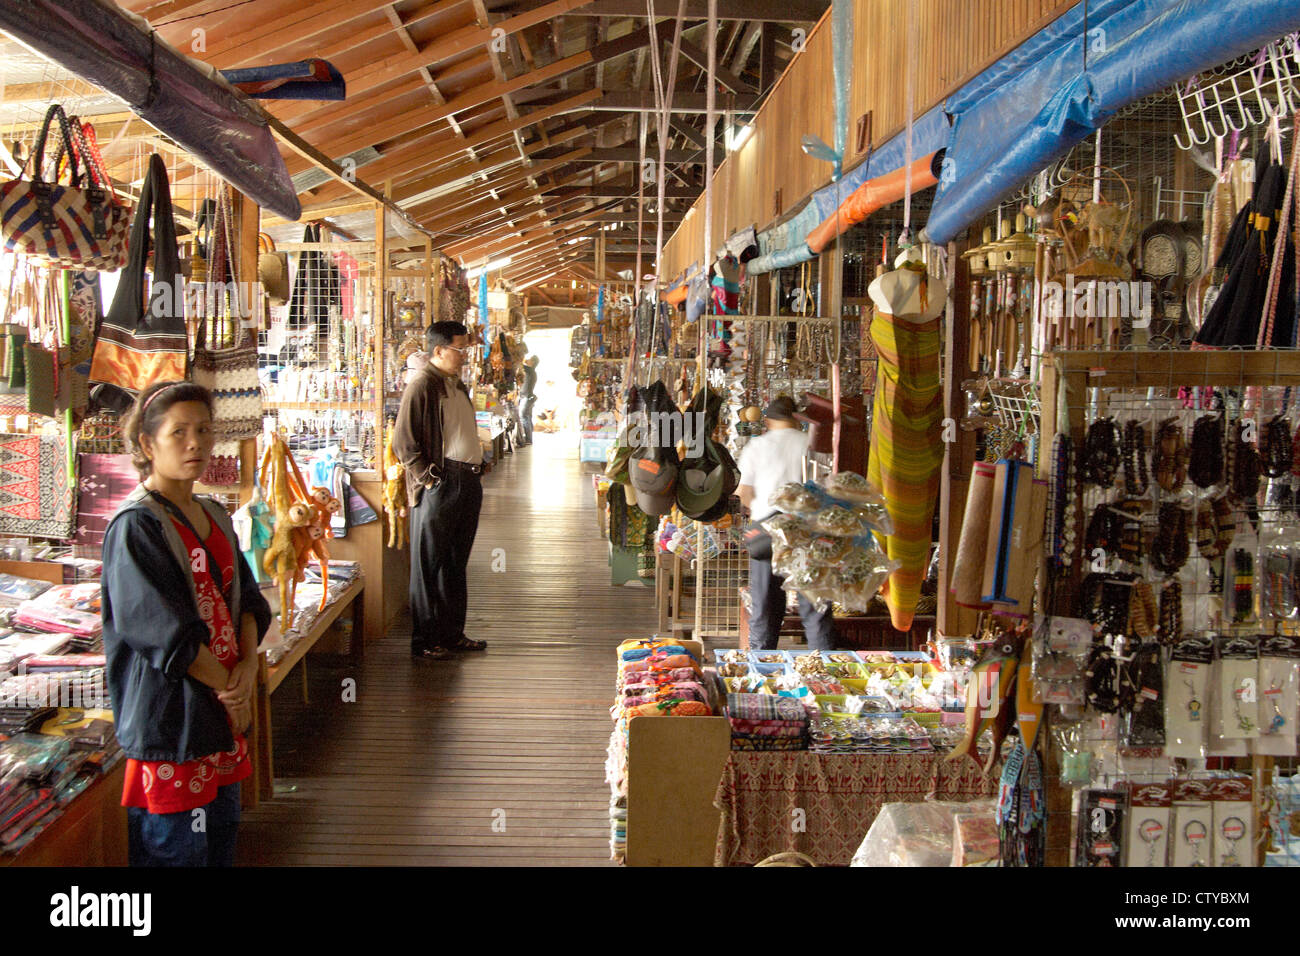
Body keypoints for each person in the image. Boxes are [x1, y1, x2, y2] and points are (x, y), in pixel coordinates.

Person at [101, 381, 272, 867]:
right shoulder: (136, 527)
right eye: (179, 432)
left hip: (219, 720)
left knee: (219, 840)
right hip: (173, 721)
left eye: (203, 430)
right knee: (176, 852)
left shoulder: (214, 514)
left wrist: (246, 667)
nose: (196, 443)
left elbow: (248, 602)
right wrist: (233, 690)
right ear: (146, 445)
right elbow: (161, 633)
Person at [392, 320, 488, 661]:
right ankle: (426, 639)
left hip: (468, 481)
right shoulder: (422, 386)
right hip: (441, 483)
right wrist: (429, 479)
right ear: (439, 350)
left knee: (454, 563)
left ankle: (452, 633)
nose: (464, 356)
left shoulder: (456, 386)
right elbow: (403, 442)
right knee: (428, 564)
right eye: (460, 349)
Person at [736, 395, 833, 650]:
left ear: (767, 419)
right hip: (806, 530)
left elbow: (744, 493)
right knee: (814, 607)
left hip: (766, 532)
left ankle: (760, 663)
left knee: (765, 605)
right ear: (796, 419)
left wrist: (756, 506)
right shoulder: (810, 444)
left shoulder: (756, 447)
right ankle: (823, 665)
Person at [519, 355, 538, 445]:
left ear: (533, 362)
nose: (528, 360)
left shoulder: (529, 371)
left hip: (526, 397)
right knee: (528, 417)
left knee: (524, 416)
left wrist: (521, 359)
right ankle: (529, 438)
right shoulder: (532, 372)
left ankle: (528, 439)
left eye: (530, 359)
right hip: (529, 397)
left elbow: (521, 365)